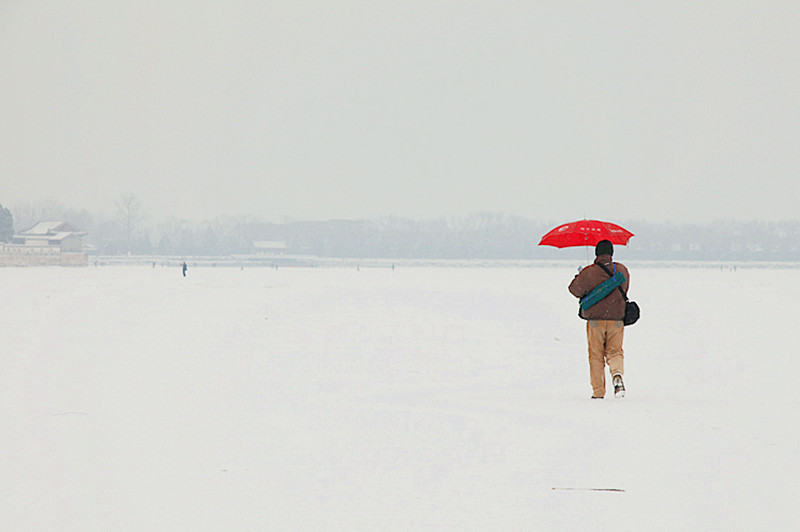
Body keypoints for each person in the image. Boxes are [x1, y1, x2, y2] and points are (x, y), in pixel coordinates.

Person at [568, 240, 630, 399]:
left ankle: (598, 392)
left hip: (595, 321)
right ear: (612, 253)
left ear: (596, 253)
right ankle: (617, 374)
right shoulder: (622, 270)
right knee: (615, 352)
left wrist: (580, 275)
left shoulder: (589, 272)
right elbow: (624, 289)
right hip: (617, 319)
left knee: (595, 355)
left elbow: (574, 290)